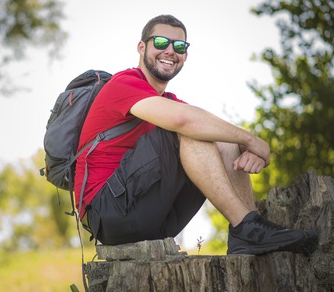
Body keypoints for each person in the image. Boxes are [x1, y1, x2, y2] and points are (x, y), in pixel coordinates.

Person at [74, 14, 319, 255]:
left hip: (155, 218)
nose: (170, 50)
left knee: (221, 138)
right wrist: (252, 140)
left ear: (185, 55)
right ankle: (247, 227)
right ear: (141, 47)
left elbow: (204, 125)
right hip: (108, 211)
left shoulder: (168, 102)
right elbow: (185, 121)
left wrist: (240, 144)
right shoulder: (123, 84)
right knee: (191, 130)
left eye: (179, 46)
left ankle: (249, 229)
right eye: (160, 42)